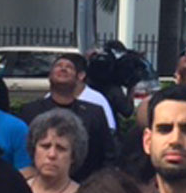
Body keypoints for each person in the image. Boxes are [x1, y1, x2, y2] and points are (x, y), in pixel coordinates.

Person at [20, 55, 116, 183]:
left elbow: (108, 156)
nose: (63, 69)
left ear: (79, 78)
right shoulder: (30, 111)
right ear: (49, 76)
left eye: (69, 67)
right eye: (59, 66)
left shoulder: (94, 112)